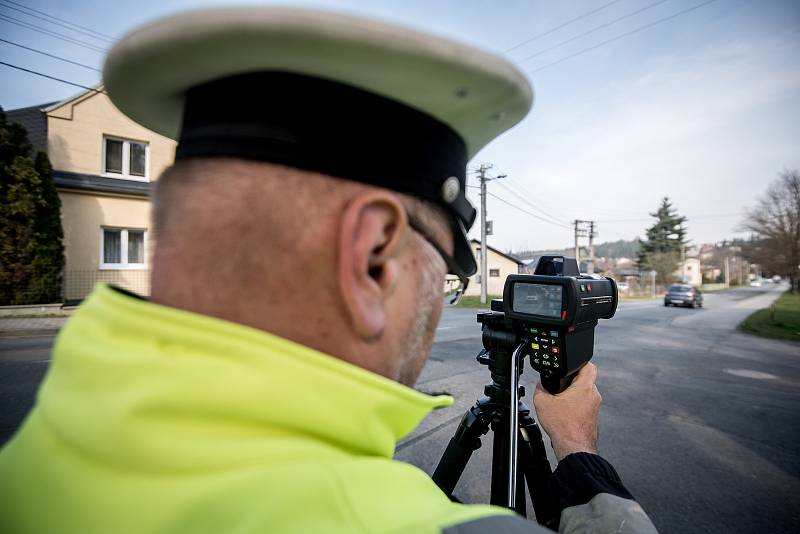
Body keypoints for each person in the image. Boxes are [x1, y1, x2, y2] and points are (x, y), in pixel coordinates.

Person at [0, 7, 657, 533]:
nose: (443, 297)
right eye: (448, 267)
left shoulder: (28, 465)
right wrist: (577, 453)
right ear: (371, 257)